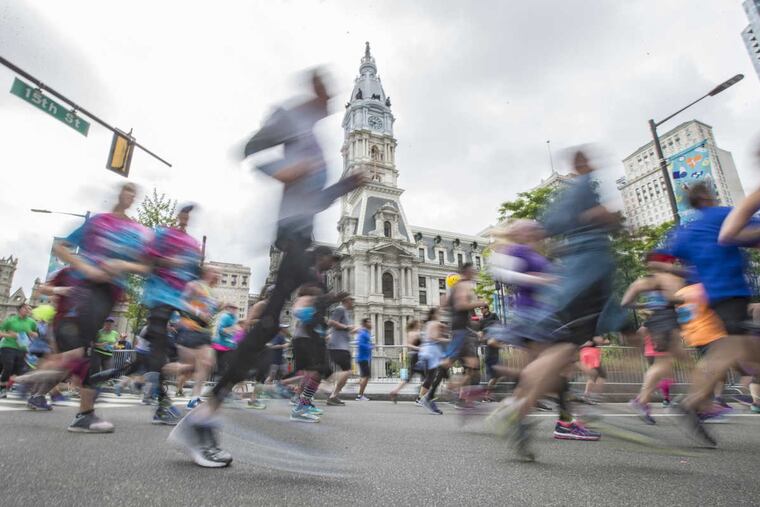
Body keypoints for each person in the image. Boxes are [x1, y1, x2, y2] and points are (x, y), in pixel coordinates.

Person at [169, 69, 364, 467]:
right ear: (313, 90)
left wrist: (345, 186)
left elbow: (315, 199)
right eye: (325, 89)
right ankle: (204, 416)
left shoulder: (315, 138)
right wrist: (283, 172)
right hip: (290, 235)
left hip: (302, 236)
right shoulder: (291, 117)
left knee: (269, 322)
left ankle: (207, 414)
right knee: (265, 324)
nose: (331, 99)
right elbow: (250, 151)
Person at [487, 149, 626, 459]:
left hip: (548, 311)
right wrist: (542, 281)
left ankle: (527, 409)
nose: (534, 230)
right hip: (535, 315)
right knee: (556, 364)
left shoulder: (541, 247)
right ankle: (537, 412)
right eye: (527, 228)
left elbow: (554, 232)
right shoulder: (520, 251)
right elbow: (501, 272)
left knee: (555, 366)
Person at [52, 182, 152, 433]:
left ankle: (84, 410)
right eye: (125, 191)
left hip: (108, 292)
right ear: (117, 195)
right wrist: (84, 267)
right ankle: (84, 411)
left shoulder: (135, 231)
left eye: (133, 193)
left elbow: (147, 266)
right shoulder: (97, 222)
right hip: (83, 287)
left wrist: (122, 265)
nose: (129, 196)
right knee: (79, 347)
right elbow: (60, 247)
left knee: (80, 348)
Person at [667, 182, 760, 446]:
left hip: (712, 297)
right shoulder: (723, 214)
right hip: (732, 290)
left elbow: (665, 257)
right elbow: (751, 235)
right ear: (708, 196)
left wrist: (694, 273)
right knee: (731, 347)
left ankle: (694, 401)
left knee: (739, 348)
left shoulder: (686, 230)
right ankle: (692, 401)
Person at [141, 204, 202, 425]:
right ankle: (161, 403)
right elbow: (148, 257)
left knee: (178, 354)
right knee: (158, 351)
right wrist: (171, 262)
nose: (185, 219)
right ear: (178, 216)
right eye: (183, 214)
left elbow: (194, 272)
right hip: (160, 297)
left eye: (188, 216)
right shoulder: (164, 233)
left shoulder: (193, 243)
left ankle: (158, 394)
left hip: (180, 302)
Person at [420, 263, 486, 414]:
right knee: (450, 363)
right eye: (472, 271)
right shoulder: (463, 286)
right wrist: (479, 302)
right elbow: (462, 305)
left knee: (472, 366)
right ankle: (435, 395)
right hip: (460, 331)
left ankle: (456, 394)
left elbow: (444, 303)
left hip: (461, 329)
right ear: (466, 272)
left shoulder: (455, 288)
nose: (474, 273)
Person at [176, 265, 221, 409]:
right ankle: (154, 374)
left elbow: (209, 312)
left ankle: (194, 398)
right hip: (190, 327)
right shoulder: (194, 285)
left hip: (204, 330)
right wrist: (197, 311)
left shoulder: (212, 292)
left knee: (207, 363)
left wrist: (220, 307)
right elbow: (180, 301)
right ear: (206, 272)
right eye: (215, 271)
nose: (217, 274)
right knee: (190, 368)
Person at [0, 303, 38, 398]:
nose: (28, 310)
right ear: (20, 309)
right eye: (26, 308)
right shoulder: (10, 320)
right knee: (8, 366)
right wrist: (10, 335)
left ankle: (8, 385)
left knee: (17, 371)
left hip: (22, 348)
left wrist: (32, 333)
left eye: (29, 309)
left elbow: (37, 334)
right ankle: (2, 388)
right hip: (8, 345)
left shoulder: (32, 322)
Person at [326, 295, 355, 406]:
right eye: (351, 300)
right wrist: (347, 327)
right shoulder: (340, 309)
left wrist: (353, 329)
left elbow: (344, 328)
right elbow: (332, 322)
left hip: (343, 346)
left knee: (347, 372)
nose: (353, 302)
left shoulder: (346, 313)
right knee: (347, 372)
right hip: (337, 346)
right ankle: (324, 382)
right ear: (346, 301)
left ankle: (333, 396)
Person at [389, 320, 424, 403]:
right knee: (424, 377)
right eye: (418, 323)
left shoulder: (415, 332)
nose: (420, 324)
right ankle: (421, 396)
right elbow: (408, 344)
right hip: (416, 356)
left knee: (415, 377)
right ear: (415, 324)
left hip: (418, 356)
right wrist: (419, 348)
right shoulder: (413, 333)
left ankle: (395, 392)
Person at [355, 318, 373, 401]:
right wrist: (370, 346)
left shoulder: (366, 332)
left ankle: (356, 389)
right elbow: (360, 344)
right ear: (365, 324)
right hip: (363, 358)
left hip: (364, 358)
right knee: (365, 377)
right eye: (369, 322)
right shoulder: (363, 333)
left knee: (364, 376)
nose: (371, 324)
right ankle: (360, 395)